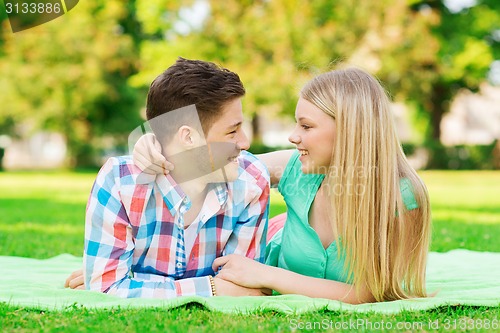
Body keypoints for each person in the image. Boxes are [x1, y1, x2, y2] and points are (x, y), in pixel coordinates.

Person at [132, 67, 432, 304]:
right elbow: (214, 159)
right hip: (272, 243)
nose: (293, 136)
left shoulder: (402, 198)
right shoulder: (296, 169)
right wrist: (155, 143)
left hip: (265, 269)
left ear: (350, 129)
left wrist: (266, 275)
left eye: (306, 126)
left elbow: (369, 294)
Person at [65, 58, 271, 298]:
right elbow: (107, 288)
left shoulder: (251, 181)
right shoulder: (120, 182)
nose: (245, 142)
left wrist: (134, 281)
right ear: (188, 137)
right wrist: (212, 287)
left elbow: (247, 288)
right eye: (232, 131)